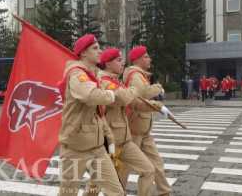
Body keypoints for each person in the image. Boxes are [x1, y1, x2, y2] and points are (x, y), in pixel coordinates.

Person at [85, 48, 158, 196]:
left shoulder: (115, 81)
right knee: (97, 184)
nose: (122, 62)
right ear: (107, 64)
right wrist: (137, 88)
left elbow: (133, 103)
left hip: (125, 140)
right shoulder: (103, 82)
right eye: (118, 60)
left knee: (149, 170)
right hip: (108, 142)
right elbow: (123, 98)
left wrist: (154, 106)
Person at [58, 34, 124, 196]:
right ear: (83, 53)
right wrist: (111, 94)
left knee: (116, 192)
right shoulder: (77, 74)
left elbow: (97, 114)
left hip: (96, 148)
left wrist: (108, 137)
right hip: (75, 148)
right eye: (95, 48)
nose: (99, 51)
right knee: (68, 193)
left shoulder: (92, 75)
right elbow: (91, 96)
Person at [122, 45, 172, 196]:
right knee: (125, 168)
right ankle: (116, 192)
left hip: (144, 130)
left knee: (156, 163)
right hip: (135, 129)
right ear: (137, 60)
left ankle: (165, 192)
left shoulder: (141, 75)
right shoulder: (135, 74)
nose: (149, 59)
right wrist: (158, 88)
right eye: (146, 56)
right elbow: (141, 94)